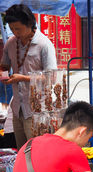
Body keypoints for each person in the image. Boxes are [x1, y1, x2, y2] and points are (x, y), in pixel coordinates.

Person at [0, 4, 57, 150]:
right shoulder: (11, 44)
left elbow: (51, 77)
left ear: (30, 24)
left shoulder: (44, 45)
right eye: (12, 29)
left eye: (18, 28)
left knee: (37, 152)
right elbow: (4, 66)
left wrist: (23, 78)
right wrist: (3, 74)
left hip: (38, 110)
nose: (14, 32)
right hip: (18, 108)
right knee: (22, 152)